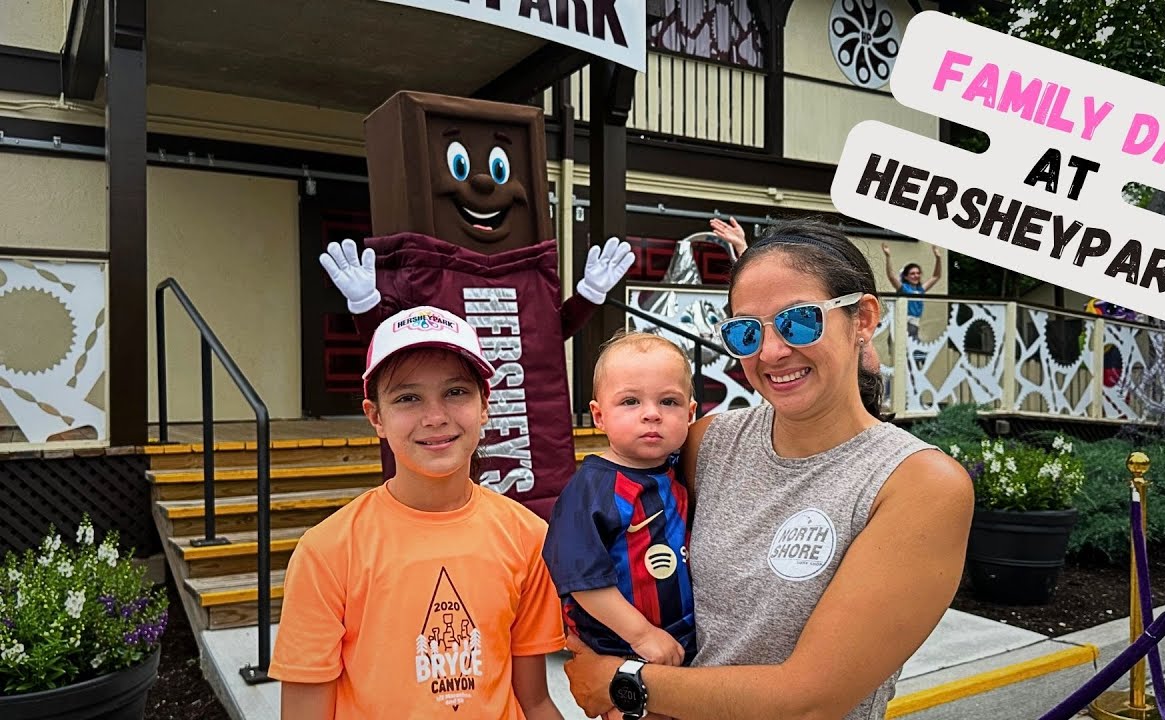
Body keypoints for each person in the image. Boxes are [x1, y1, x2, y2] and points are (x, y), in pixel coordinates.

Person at [561, 219, 974, 720]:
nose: (772, 351)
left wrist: (625, 683)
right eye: (747, 331)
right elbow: (599, 522)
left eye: (800, 321)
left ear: (862, 318)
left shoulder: (916, 484)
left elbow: (809, 701)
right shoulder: (706, 442)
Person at [269, 305, 566, 719]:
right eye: (408, 398)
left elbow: (534, 700)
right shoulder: (328, 552)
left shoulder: (528, 536)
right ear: (376, 416)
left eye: (455, 392)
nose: (435, 417)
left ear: (485, 405)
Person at [542, 331, 698, 720]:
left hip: (684, 643)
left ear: (691, 413)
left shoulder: (681, 472)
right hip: (620, 647)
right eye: (630, 401)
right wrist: (642, 636)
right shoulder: (591, 491)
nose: (652, 413)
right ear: (599, 415)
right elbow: (581, 579)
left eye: (669, 401)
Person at [881, 243, 942, 343]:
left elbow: (936, 276)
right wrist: (888, 257)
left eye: (918, 273)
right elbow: (891, 277)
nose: (916, 275)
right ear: (906, 276)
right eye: (912, 273)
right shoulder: (904, 289)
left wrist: (938, 258)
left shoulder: (921, 289)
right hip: (902, 324)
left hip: (914, 324)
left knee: (914, 352)